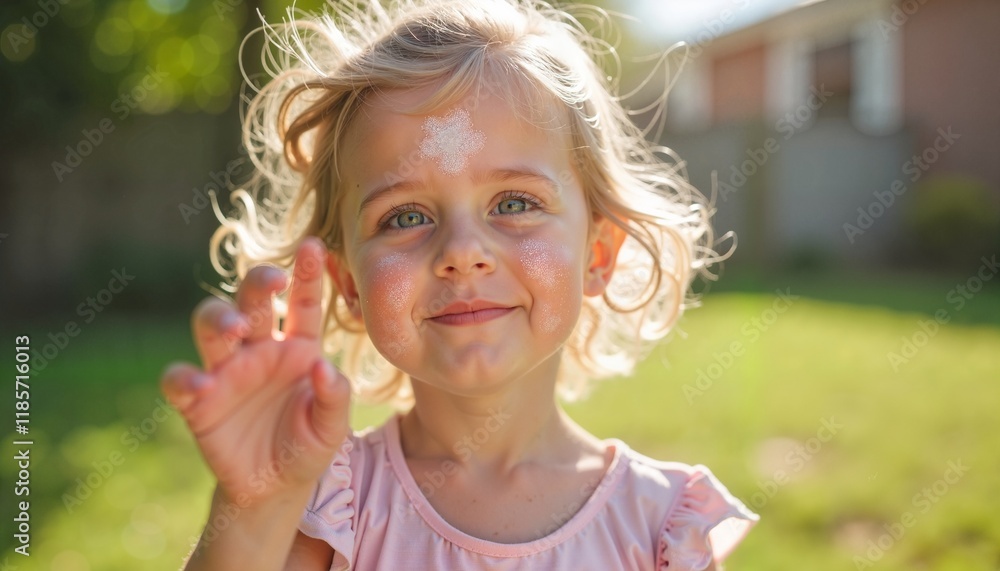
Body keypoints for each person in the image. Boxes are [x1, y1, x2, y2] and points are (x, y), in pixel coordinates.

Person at [161, 0, 758, 569]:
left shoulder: (661, 529)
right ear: (349, 283)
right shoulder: (325, 509)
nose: (463, 252)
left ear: (596, 253)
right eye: (406, 216)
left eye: (515, 202)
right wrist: (253, 508)